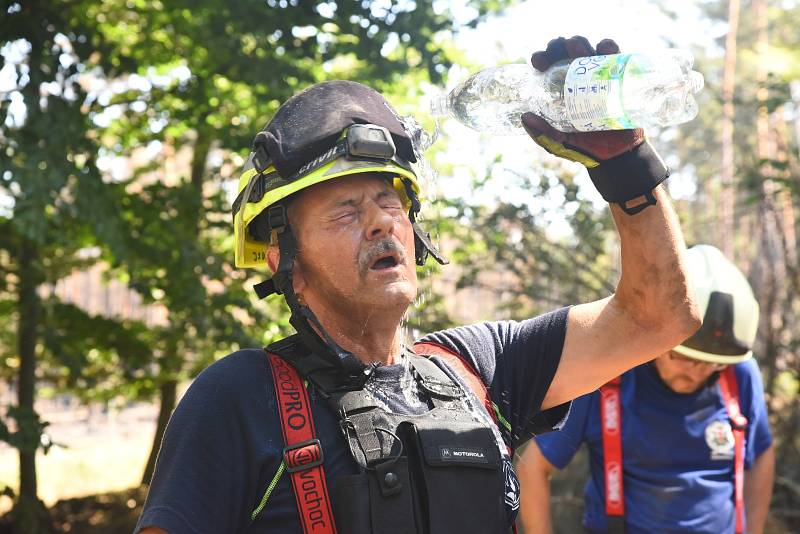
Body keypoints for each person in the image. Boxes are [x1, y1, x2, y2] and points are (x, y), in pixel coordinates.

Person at [136, 36, 700, 534]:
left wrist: (627, 169)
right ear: (286, 258)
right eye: (346, 211)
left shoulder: (482, 368)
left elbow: (660, 318)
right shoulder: (237, 398)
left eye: (390, 201)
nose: (382, 221)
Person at [517, 244, 775, 534]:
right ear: (657, 338)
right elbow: (533, 467)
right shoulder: (607, 376)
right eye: (684, 358)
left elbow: (761, 451)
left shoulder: (738, 373)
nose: (697, 371)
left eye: (712, 365)